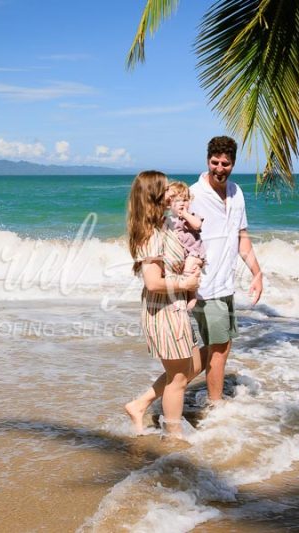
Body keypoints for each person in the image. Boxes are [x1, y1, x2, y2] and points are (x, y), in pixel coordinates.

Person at [124, 170, 203, 437]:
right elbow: (153, 283)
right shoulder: (150, 236)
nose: (171, 190)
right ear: (155, 195)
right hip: (164, 311)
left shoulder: (164, 226)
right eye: (166, 187)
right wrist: (186, 284)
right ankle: (174, 436)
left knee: (189, 367)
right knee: (179, 379)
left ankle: (140, 404)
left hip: (175, 307)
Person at [189, 136, 263, 406]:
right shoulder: (192, 195)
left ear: (233, 163)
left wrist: (257, 273)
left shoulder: (236, 192)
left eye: (225, 163)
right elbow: (175, 237)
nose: (219, 168)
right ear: (207, 160)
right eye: (214, 162)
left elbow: (242, 237)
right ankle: (215, 404)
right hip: (205, 285)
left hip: (226, 284)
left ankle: (163, 390)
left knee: (218, 348)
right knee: (219, 349)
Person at [165, 181, 206, 311]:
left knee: (188, 268)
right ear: (169, 204)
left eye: (185, 200)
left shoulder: (191, 218)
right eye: (177, 200)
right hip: (182, 255)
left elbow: (198, 225)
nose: (182, 203)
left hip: (194, 253)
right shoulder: (169, 220)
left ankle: (192, 295)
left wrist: (186, 215)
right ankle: (176, 298)